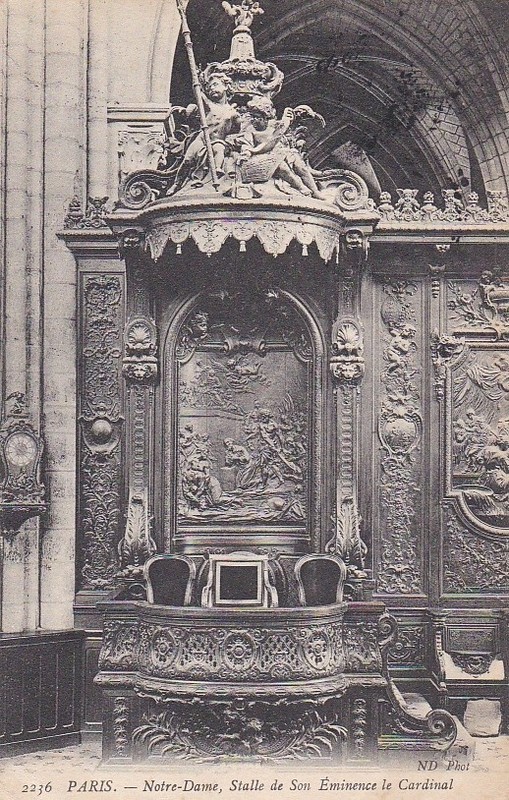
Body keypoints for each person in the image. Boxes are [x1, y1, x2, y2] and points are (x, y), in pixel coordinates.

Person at [168, 73, 240, 194]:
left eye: (215, 85)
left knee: (219, 149)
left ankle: (216, 171)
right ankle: (176, 183)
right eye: (209, 87)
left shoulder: (233, 113)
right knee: (187, 159)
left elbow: (237, 131)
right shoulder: (208, 105)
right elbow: (198, 94)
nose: (212, 89)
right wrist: (196, 79)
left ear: (226, 86)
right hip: (202, 139)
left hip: (218, 140)